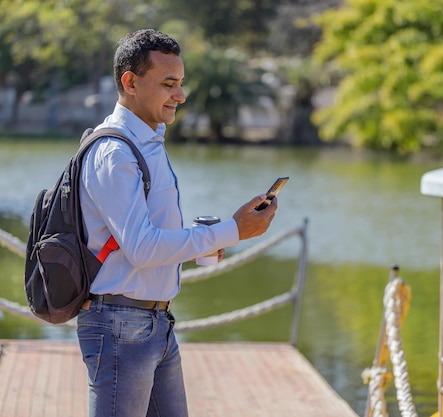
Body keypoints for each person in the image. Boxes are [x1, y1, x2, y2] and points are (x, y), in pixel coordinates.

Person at [77, 29, 278, 417]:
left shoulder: (148, 142)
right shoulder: (114, 152)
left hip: (154, 322)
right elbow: (141, 248)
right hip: (121, 325)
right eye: (169, 84)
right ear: (130, 83)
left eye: (181, 83)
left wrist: (205, 243)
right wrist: (231, 231)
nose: (180, 95)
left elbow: (146, 245)